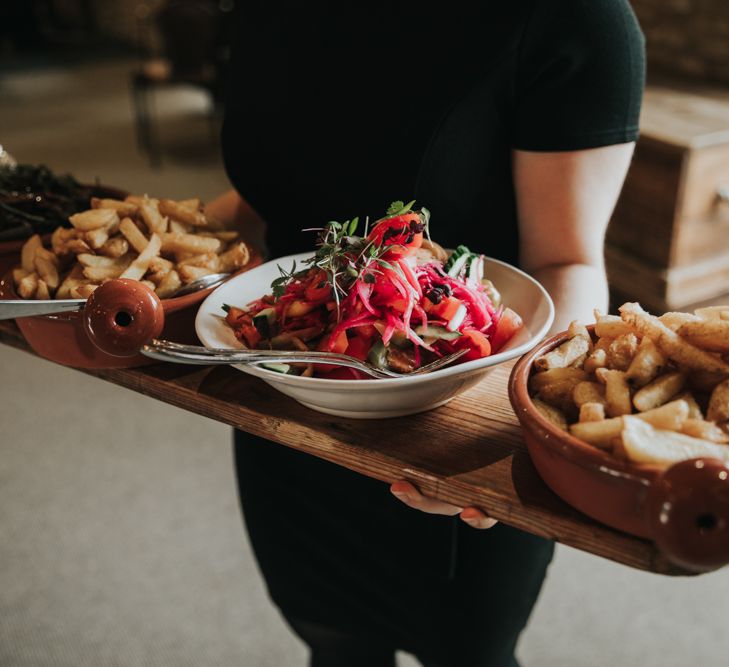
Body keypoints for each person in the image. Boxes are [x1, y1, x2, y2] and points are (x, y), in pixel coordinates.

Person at [205, 2, 645, 665]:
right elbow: (265, 195)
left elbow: (566, 261)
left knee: (466, 650)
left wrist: (503, 433)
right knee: (329, 638)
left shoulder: (577, 18)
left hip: (464, 419)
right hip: (283, 407)